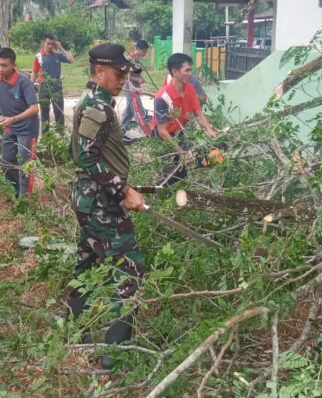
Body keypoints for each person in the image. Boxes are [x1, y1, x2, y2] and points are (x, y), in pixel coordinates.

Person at [68, 43, 146, 370]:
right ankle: (115, 355)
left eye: (126, 73)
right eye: (118, 73)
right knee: (131, 268)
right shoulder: (97, 106)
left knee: (87, 261)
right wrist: (122, 189)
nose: (123, 79)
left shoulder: (96, 102)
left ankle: (75, 332)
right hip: (101, 202)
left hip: (91, 197)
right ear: (100, 71)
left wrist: (124, 185)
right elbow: (86, 156)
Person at [0, 47, 39, 198]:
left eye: (4, 65)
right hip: (9, 127)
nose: (0, 68)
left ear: (13, 65)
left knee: (25, 165)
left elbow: (34, 108)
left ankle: (25, 200)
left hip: (27, 129)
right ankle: (13, 193)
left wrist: (14, 119)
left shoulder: (24, 82)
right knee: (7, 160)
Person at [153, 53, 219, 186]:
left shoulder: (189, 88)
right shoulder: (162, 98)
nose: (190, 73)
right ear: (175, 72)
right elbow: (162, 131)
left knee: (212, 157)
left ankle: (179, 181)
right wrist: (181, 152)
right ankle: (154, 191)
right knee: (176, 172)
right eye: (187, 70)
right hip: (163, 137)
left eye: (191, 70)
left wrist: (209, 130)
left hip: (179, 132)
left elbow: (198, 113)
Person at [30, 35, 74, 134]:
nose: (50, 46)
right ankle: (45, 134)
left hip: (56, 85)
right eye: (48, 43)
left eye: (52, 44)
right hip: (44, 86)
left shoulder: (58, 55)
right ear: (43, 43)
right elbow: (34, 72)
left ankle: (60, 133)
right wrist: (30, 87)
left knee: (59, 110)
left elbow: (71, 60)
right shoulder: (38, 56)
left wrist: (61, 48)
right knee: (44, 110)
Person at [120, 40, 150, 133]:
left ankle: (121, 130)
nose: (145, 53)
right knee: (138, 109)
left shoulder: (138, 59)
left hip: (135, 85)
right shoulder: (130, 58)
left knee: (129, 110)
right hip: (130, 86)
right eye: (144, 51)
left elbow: (135, 72)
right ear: (139, 49)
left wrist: (139, 77)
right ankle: (148, 133)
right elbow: (124, 75)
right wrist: (137, 79)